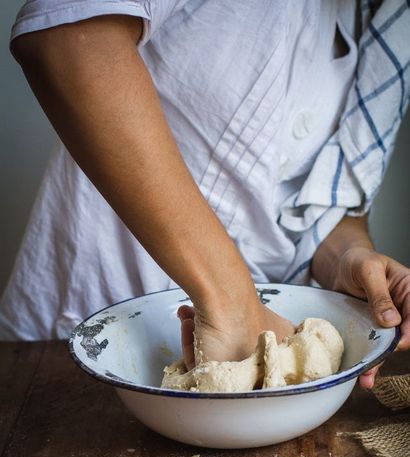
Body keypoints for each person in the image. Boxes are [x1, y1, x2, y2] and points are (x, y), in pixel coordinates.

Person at [1, 0, 409, 389]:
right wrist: (232, 299)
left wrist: (349, 255)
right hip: (71, 344)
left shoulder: (380, 25)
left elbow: (313, 201)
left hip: (258, 357)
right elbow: (70, 36)